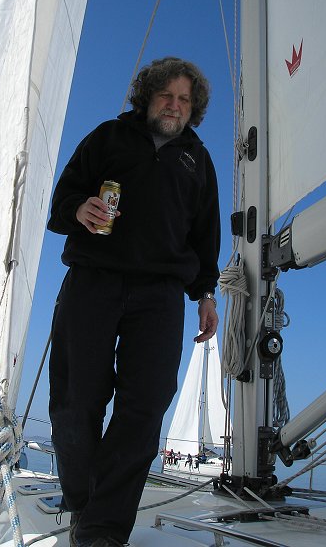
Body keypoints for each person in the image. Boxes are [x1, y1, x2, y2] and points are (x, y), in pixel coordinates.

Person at [47, 56, 220, 547]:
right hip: (93, 281)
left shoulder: (197, 160)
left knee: (144, 408)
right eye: (166, 95)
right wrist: (80, 208)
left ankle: (101, 530)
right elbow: (61, 201)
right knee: (75, 400)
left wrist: (206, 294)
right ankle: (82, 503)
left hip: (160, 295)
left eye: (184, 99)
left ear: (193, 109)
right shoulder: (108, 138)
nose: (174, 105)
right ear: (147, 97)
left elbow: (205, 236)